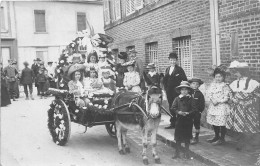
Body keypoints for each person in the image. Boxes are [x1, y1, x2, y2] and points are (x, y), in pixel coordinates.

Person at [226, 61, 260, 150]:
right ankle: (241, 142)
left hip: (248, 108)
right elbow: (230, 94)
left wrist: (247, 103)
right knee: (239, 124)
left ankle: (247, 143)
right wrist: (234, 100)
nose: (235, 74)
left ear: (243, 72)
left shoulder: (253, 83)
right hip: (237, 107)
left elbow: (257, 96)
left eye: (237, 72)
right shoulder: (235, 83)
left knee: (248, 125)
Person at [171, 81, 197, 159]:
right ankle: (177, 152)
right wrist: (178, 112)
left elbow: (194, 109)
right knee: (178, 137)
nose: (184, 91)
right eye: (182, 89)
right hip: (179, 120)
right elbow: (173, 108)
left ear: (188, 90)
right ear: (180, 91)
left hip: (188, 120)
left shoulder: (191, 99)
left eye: (186, 89)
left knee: (187, 137)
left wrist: (188, 113)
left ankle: (186, 153)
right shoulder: (177, 99)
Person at [206, 67, 230, 146]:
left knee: (221, 123)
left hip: (221, 106)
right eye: (216, 77)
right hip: (213, 105)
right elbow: (209, 93)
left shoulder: (225, 86)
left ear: (223, 77)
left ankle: (222, 139)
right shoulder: (213, 85)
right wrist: (213, 100)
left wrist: (219, 101)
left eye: (220, 77)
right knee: (214, 121)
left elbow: (226, 97)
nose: (218, 78)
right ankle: (216, 136)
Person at [163, 52, 187, 129]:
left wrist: (181, 90)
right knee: (171, 106)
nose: (172, 62)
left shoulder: (179, 69)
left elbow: (184, 80)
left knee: (178, 106)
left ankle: (180, 123)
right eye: (171, 60)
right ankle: (173, 123)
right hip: (169, 91)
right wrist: (165, 88)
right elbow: (165, 80)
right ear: (169, 60)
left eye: (174, 60)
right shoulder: (167, 69)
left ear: (176, 61)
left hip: (176, 91)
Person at [188, 78, 205, 145]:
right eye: (193, 84)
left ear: (199, 85)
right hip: (189, 112)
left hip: (196, 113)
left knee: (196, 124)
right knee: (189, 124)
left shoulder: (200, 94)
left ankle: (196, 137)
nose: (195, 85)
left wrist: (199, 111)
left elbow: (202, 104)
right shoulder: (188, 92)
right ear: (190, 84)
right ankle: (190, 136)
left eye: (197, 84)